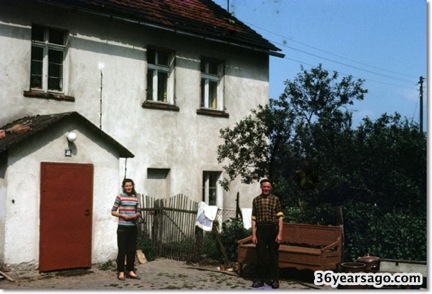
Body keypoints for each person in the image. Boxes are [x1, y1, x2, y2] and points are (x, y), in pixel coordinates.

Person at [251, 179, 284, 289]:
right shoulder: (256, 200)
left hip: (272, 230)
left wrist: (279, 234)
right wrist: (254, 234)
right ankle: (260, 279)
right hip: (260, 230)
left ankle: (274, 280)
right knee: (260, 255)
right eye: (264, 187)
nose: (266, 189)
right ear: (261, 187)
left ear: (271, 188)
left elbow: (280, 218)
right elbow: (253, 219)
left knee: (274, 256)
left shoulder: (275, 199)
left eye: (268, 187)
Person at [111, 178, 141, 281]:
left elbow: (138, 211)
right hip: (123, 227)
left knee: (132, 250)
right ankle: (121, 272)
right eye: (126, 186)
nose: (128, 187)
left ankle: (131, 271)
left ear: (132, 186)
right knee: (122, 250)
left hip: (133, 227)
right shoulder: (120, 197)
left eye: (130, 186)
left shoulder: (136, 197)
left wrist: (136, 215)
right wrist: (122, 215)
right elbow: (113, 211)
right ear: (123, 187)